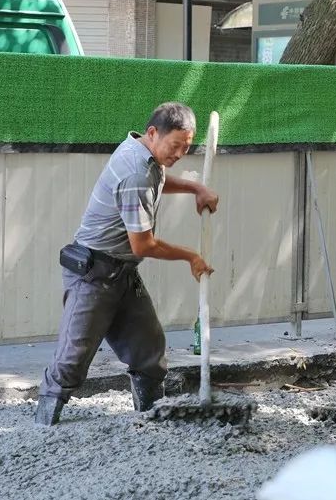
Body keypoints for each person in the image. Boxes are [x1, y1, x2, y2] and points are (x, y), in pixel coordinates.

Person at [35, 102, 219, 426]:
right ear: (153, 133)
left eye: (185, 148)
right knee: (72, 361)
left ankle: (151, 419)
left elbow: (158, 181)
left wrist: (195, 187)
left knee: (149, 351)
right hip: (93, 275)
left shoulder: (146, 156)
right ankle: (44, 426)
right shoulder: (136, 170)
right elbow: (143, 244)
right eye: (175, 146)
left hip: (122, 274)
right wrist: (191, 256)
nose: (178, 154)